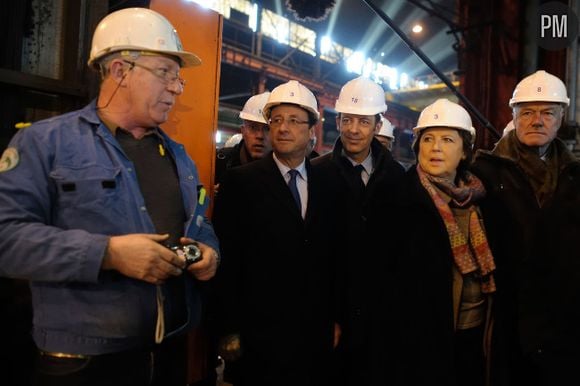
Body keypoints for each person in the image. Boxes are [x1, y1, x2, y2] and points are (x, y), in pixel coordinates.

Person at [0, 8, 220, 386]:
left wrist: (209, 252)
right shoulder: (44, 143)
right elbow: (6, 238)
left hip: (168, 350)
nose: (176, 88)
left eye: (177, 78)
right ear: (120, 70)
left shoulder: (178, 156)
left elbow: (200, 225)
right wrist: (109, 254)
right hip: (84, 364)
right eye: (165, 73)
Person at [212, 80, 344, 385]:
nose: (283, 128)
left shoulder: (329, 184)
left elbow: (336, 257)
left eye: (294, 121)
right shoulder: (241, 183)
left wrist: (336, 319)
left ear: (312, 130)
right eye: (277, 120)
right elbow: (228, 260)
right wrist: (228, 328)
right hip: (259, 335)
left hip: (313, 332)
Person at [472, 70, 580, 386]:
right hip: (507, 316)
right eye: (528, 112)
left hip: (564, 319)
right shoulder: (484, 171)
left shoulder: (574, 175)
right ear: (514, 116)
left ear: (561, 118)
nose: (537, 121)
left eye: (548, 113)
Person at [391, 98, 497, 386]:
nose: (435, 147)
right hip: (421, 342)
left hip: (473, 333)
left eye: (447, 139)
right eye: (428, 139)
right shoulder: (397, 199)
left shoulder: (478, 198)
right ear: (417, 147)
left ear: (464, 151)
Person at [312, 76, 404, 386]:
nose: (353, 129)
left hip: (382, 314)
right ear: (336, 120)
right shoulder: (317, 173)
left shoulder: (395, 177)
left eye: (363, 121)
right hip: (333, 312)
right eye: (347, 120)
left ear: (378, 125)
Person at [214, 91, 271, 189]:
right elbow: (200, 198)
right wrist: (208, 196)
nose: (260, 136)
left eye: (267, 129)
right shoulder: (220, 162)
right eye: (253, 127)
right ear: (243, 131)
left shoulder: (284, 170)